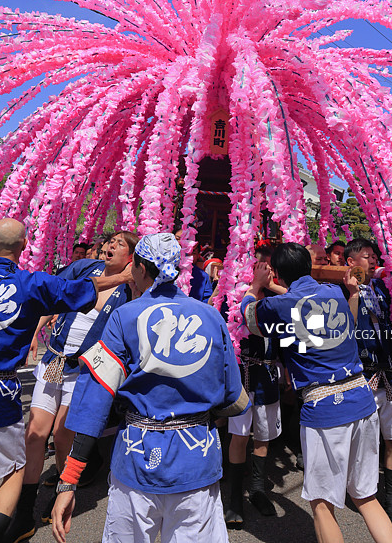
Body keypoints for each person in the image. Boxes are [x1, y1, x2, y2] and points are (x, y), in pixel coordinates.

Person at [51, 232, 249, 543]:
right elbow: (232, 396)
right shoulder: (211, 317)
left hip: (136, 458)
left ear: (140, 269)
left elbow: (94, 400)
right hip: (196, 458)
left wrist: (69, 480)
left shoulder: (124, 317)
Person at [0, 218, 109, 543]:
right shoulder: (33, 283)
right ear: (23, 246)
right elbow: (80, 290)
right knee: (15, 470)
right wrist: (127, 276)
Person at [242, 242, 392, 543]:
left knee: (322, 505)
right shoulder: (333, 293)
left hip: (325, 408)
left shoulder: (277, 307)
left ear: (275, 271)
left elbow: (250, 317)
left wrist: (256, 285)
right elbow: (301, 302)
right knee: (366, 497)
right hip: (361, 400)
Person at [5, 231, 138, 543]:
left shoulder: (129, 292)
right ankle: (24, 512)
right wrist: (38, 330)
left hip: (85, 369)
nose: (111, 246)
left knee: (63, 435)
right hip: (54, 360)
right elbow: (57, 296)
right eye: (111, 241)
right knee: (35, 433)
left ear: (130, 259)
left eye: (120, 244)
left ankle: (63, 491)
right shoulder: (85, 270)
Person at [344, 237, 392, 536]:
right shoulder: (337, 289)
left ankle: (391, 501)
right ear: (351, 262)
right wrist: (351, 293)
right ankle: (365, 495)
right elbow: (343, 331)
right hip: (363, 376)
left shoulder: (386, 288)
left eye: (375, 256)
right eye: (365, 256)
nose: (373, 260)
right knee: (365, 443)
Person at [225, 246, 281, 528]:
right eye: (262, 264)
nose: (267, 269)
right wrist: (255, 286)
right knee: (239, 436)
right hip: (242, 375)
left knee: (264, 437)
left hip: (268, 375)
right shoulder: (235, 295)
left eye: (271, 265)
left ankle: (257, 489)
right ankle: (234, 498)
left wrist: (268, 286)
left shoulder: (278, 296)